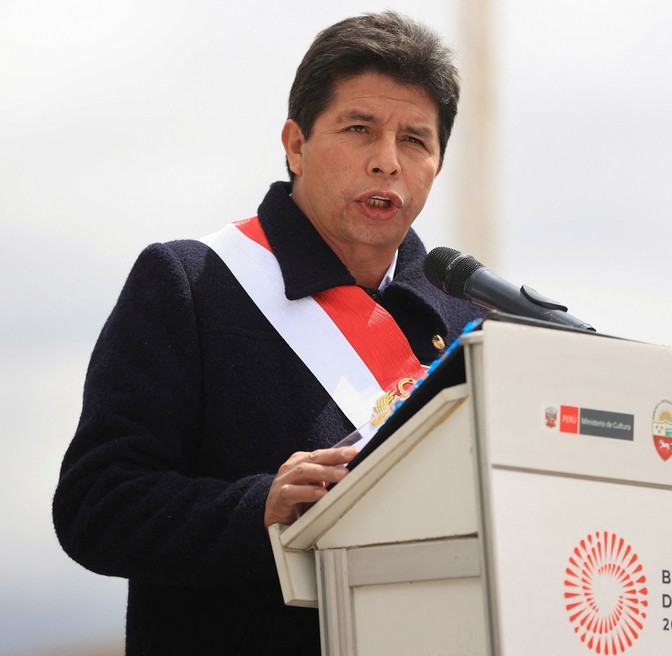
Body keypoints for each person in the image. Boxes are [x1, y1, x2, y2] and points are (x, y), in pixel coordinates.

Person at [53, 11, 482, 655]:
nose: (387, 162)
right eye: (359, 129)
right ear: (296, 144)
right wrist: (258, 510)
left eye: (415, 141)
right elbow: (96, 506)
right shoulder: (191, 283)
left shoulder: (468, 319)